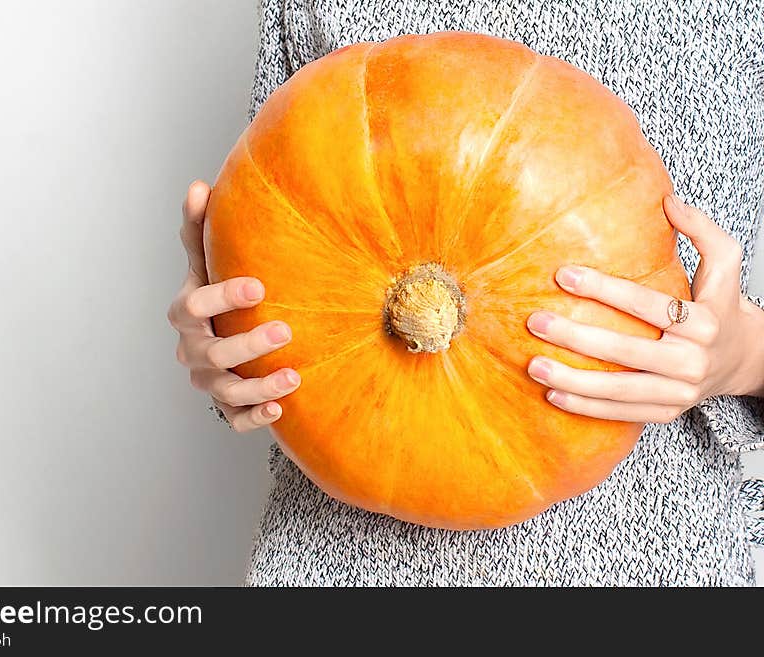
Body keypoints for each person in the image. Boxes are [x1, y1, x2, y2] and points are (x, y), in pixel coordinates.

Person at [169, 0, 764, 585]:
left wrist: (742, 358)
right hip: (341, 564)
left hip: (661, 558)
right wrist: (229, 357)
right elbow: (276, 223)